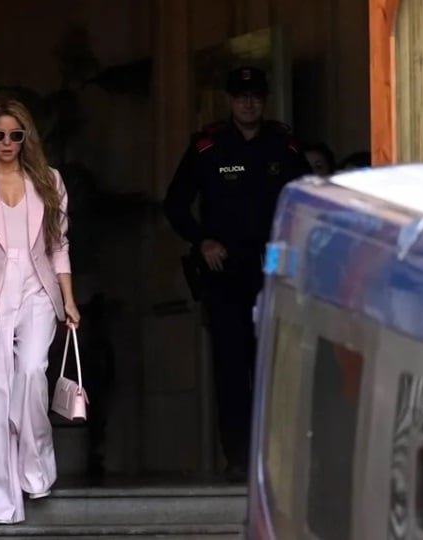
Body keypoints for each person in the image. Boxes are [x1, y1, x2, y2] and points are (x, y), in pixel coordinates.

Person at [163, 66, 311, 482]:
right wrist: (202, 240)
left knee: (274, 368)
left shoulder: (283, 146)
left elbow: (310, 200)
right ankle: (238, 458)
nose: (249, 103)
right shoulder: (209, 147)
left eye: (256, 96)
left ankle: (276, 458)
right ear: (230, 100)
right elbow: (175, 204)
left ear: (265, 100)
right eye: (242, 96)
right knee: (231, 369)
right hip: (225, 273)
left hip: (271, 273)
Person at [0, 98, 81, 524]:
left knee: (30, 374)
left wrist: (69, 299)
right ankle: (3, 502)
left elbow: (59, 245)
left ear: (26, 137)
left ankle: (36, 467)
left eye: (15, 135)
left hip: (38, 288)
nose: (7, 142)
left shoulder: (49, 179)